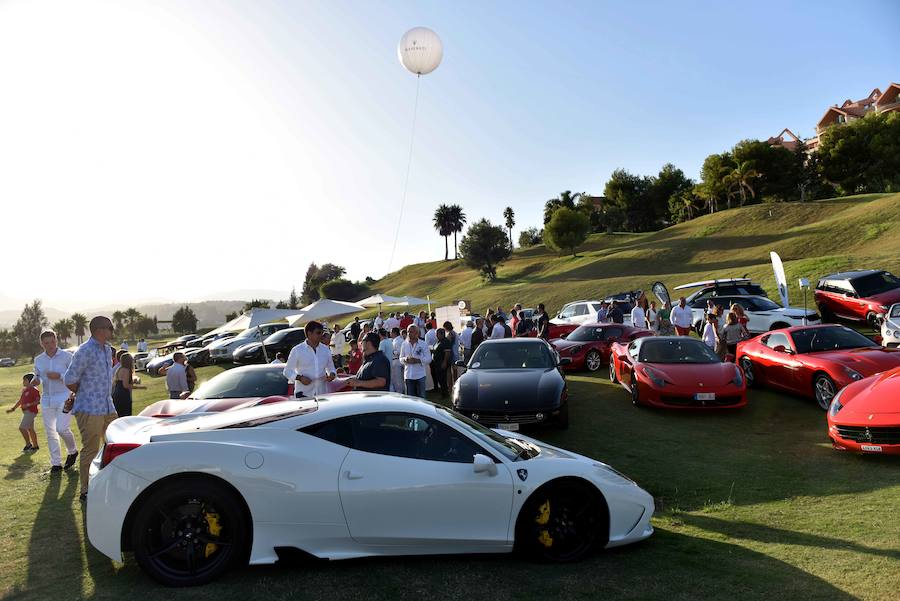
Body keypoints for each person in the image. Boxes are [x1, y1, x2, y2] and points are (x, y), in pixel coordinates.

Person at [64, 315, 119, 501]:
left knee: (115, 445)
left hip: (108, 406)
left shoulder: (107, 350)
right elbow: (69, 379)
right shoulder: (84, 351)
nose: (112, 331)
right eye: (110, 328)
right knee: (91, 449)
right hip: (89, 409)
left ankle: (110, 483)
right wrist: (85, 393)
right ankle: (86, 491)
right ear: (99, 330)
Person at [32, 330, 78, 471]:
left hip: (65, 397)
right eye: (46, 343)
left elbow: (74, 376)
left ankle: (73, 451)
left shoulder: (67, 357)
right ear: (42, 344)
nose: (50, 345)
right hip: (46, 399)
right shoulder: (39, 359)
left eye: (52, 342)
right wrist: (36, 380)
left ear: (56, 340)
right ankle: (56, 463)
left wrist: (59, 375)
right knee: (50, 432)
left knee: (61, 428)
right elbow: (38, 375)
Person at [283, 320, 337, 398]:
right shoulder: (297, 350)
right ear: (309, 333)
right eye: (318, 332)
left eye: (322, 332)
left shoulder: (325, 349)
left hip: (322, 394)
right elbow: (287, 371)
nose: (321, 335)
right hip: (303, 394)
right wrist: (300, 378)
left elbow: (331, 367)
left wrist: (332, 374)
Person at [7, 373, 40, 453]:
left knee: (22, 428)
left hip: (31, 412)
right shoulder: (25, 390)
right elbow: (21, 400)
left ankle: (28, 445)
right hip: (26, 412)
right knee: (30, 429)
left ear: (29, 381)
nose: (23, 382)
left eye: (24, 380)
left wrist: (28, 405)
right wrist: (13, 408)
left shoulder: (34, 390)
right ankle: (35, 446)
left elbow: (38, 401)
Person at [400, 324, 432, 397]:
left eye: (411, 332)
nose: (409, 334)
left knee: (421, 398)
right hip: (408, 376)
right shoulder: (404, 344)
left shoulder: (423, 344)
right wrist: (405, 359)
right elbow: (400, 358)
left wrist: (418, 360)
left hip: (420, 375)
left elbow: (429, 359)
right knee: (410, 399)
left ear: (417, 333)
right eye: (408, 331)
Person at [430, 328, 453, 398]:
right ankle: (441, 391)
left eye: (437, 334)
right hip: (436, 363)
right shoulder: (438, 342)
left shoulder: (445, 341)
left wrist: (444, 362)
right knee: (439, 378)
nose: (436, 335)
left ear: (442, 334)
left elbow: (447, 353)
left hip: (441, 363)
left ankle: (445, 394)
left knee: (442, 379)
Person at [390, 327, 404, 393]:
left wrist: (392, 351)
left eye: (391, 332)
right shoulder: (400, 340)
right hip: (399, 360)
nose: (390, 334)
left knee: (397, 378)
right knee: (401, 378)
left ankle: (399, 392)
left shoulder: (398, 341)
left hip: (396, 360)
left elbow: (398, 352)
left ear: (394, 333)